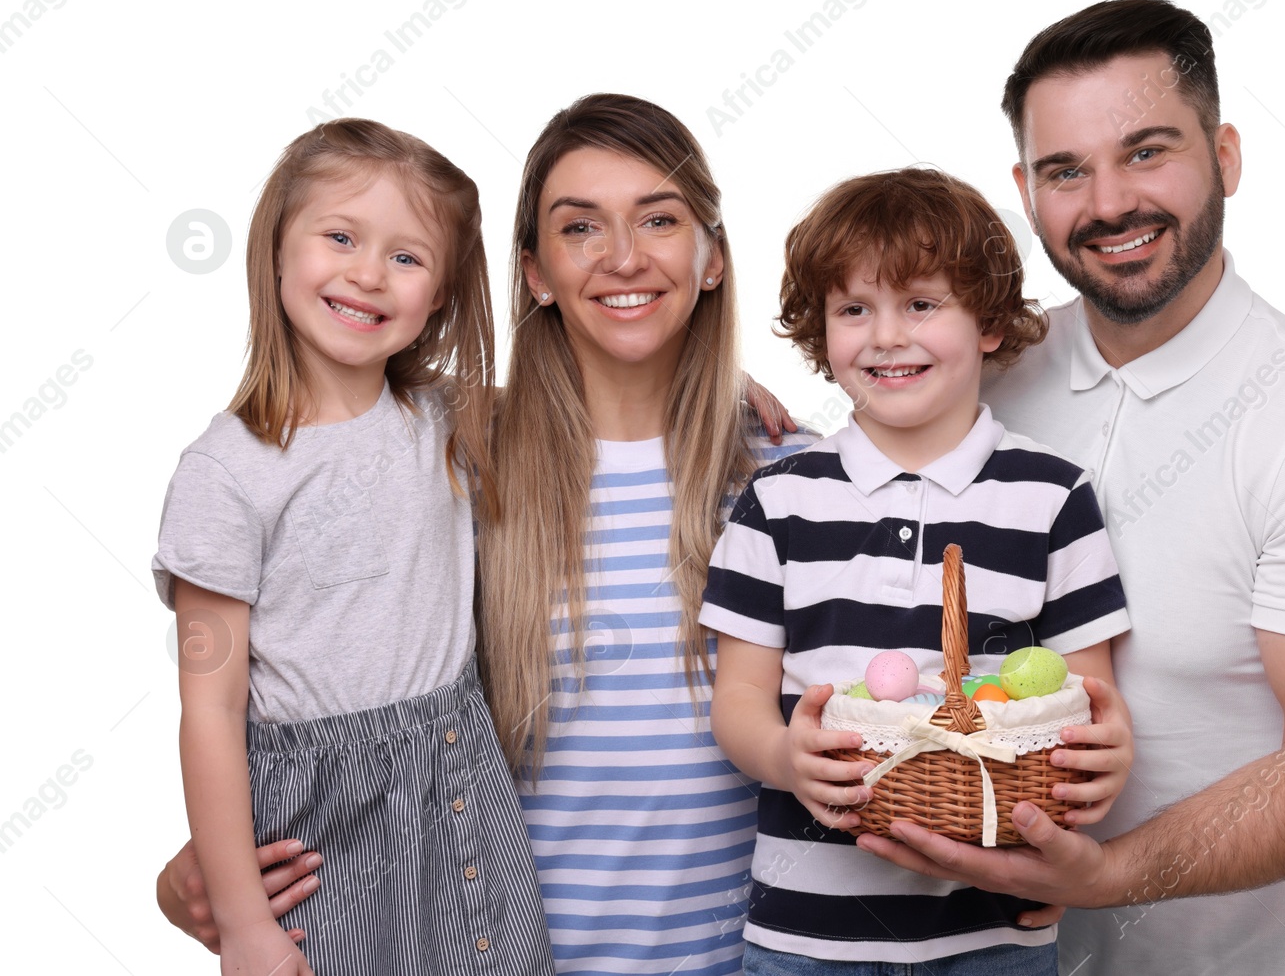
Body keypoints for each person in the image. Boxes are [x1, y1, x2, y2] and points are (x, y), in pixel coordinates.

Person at [154, 94, 807, 976]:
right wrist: (211, 886)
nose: (622, 255)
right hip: (486, 939)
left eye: (659, 218)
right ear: (534, 273)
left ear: (713, 256)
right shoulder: (469, 452)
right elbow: (293, 679)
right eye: (581, 228)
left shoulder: (791, 477)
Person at [856, 0, 1285, 975]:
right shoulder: (989, 381)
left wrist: (1106, 873)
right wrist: (738, 403)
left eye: (1146, 151)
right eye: (1065, 170)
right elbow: (835, 488)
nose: (1109, 202)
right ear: (1024, 189)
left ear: (1226, 155)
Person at [701, 168, 1133, 974]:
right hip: (807, 935)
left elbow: (1082, 700)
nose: (886, 336)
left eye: (922, 304)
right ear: (820, 332)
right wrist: (784, 756)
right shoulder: (780, 498)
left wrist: (1104, 764)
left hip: (992, 932)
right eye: (853, 309)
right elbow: (738, 699)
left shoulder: (1051, 496)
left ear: (990, 324)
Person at [152, 119, 553, 975]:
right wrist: (244, 920)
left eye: (407, 258)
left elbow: (592, 400)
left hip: (462, 790)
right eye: (340, 236)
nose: (368, 273)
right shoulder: (226, 474)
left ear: (441, 295)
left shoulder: (447, 420)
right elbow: (211, 711)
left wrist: (718, 380)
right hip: (320, 826)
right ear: (276, 247)